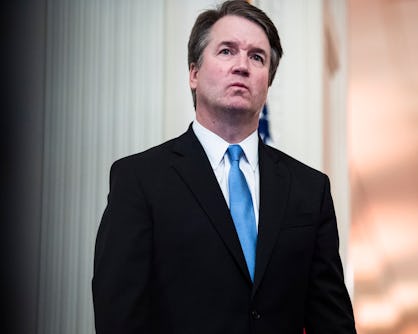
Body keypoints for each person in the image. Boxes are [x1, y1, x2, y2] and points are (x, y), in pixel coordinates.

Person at [92, 1, 356, 333]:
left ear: (267, 82)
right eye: (227, 51)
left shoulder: (309, 189)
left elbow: (332, 321)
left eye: (257, 57)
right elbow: (119, 315)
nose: (242, 66)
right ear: (194, 73)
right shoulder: (140, 179)